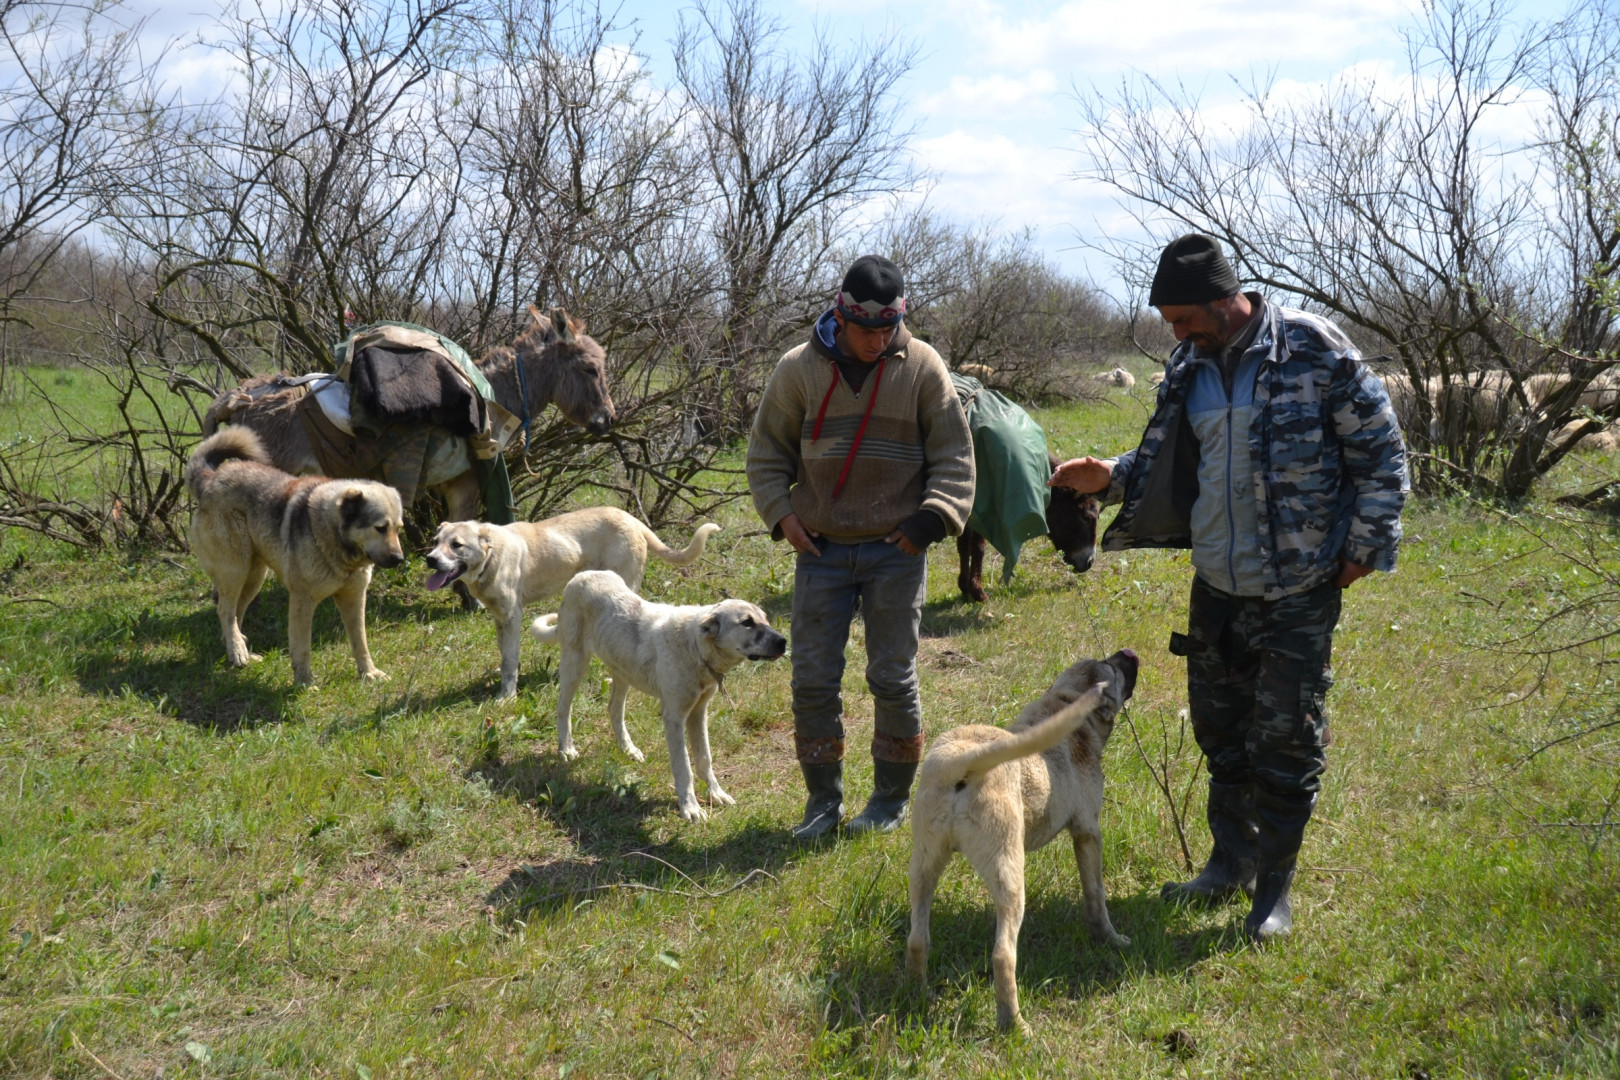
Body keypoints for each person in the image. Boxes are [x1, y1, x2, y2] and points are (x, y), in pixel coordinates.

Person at [1050, 234, 1407, 941]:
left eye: (1183, 319)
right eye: (1170, 324)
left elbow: (1381, 451)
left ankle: (1273, 892)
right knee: (1220, 730)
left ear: (1224, 300)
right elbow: (1171, 458)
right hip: (1217, 581)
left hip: (1298, 586)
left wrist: (1367, 546)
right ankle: (1228, 862)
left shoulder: (1312, 346)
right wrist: (1111, 476)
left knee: (1285, 738)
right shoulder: (1190, 367)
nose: (1175, 335)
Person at [747, 255, 975, 839]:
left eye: (887, 329)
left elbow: (955, 455)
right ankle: (822, 803)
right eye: (866, 330)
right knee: (813, 678)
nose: (879, 340)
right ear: (840, 316)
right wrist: (783, 517)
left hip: (896, 551)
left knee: (892, 675)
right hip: (820, 550)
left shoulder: (923, 366)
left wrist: (929, 522)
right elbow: (766, 455)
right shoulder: (797, 369)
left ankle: (890, 800)